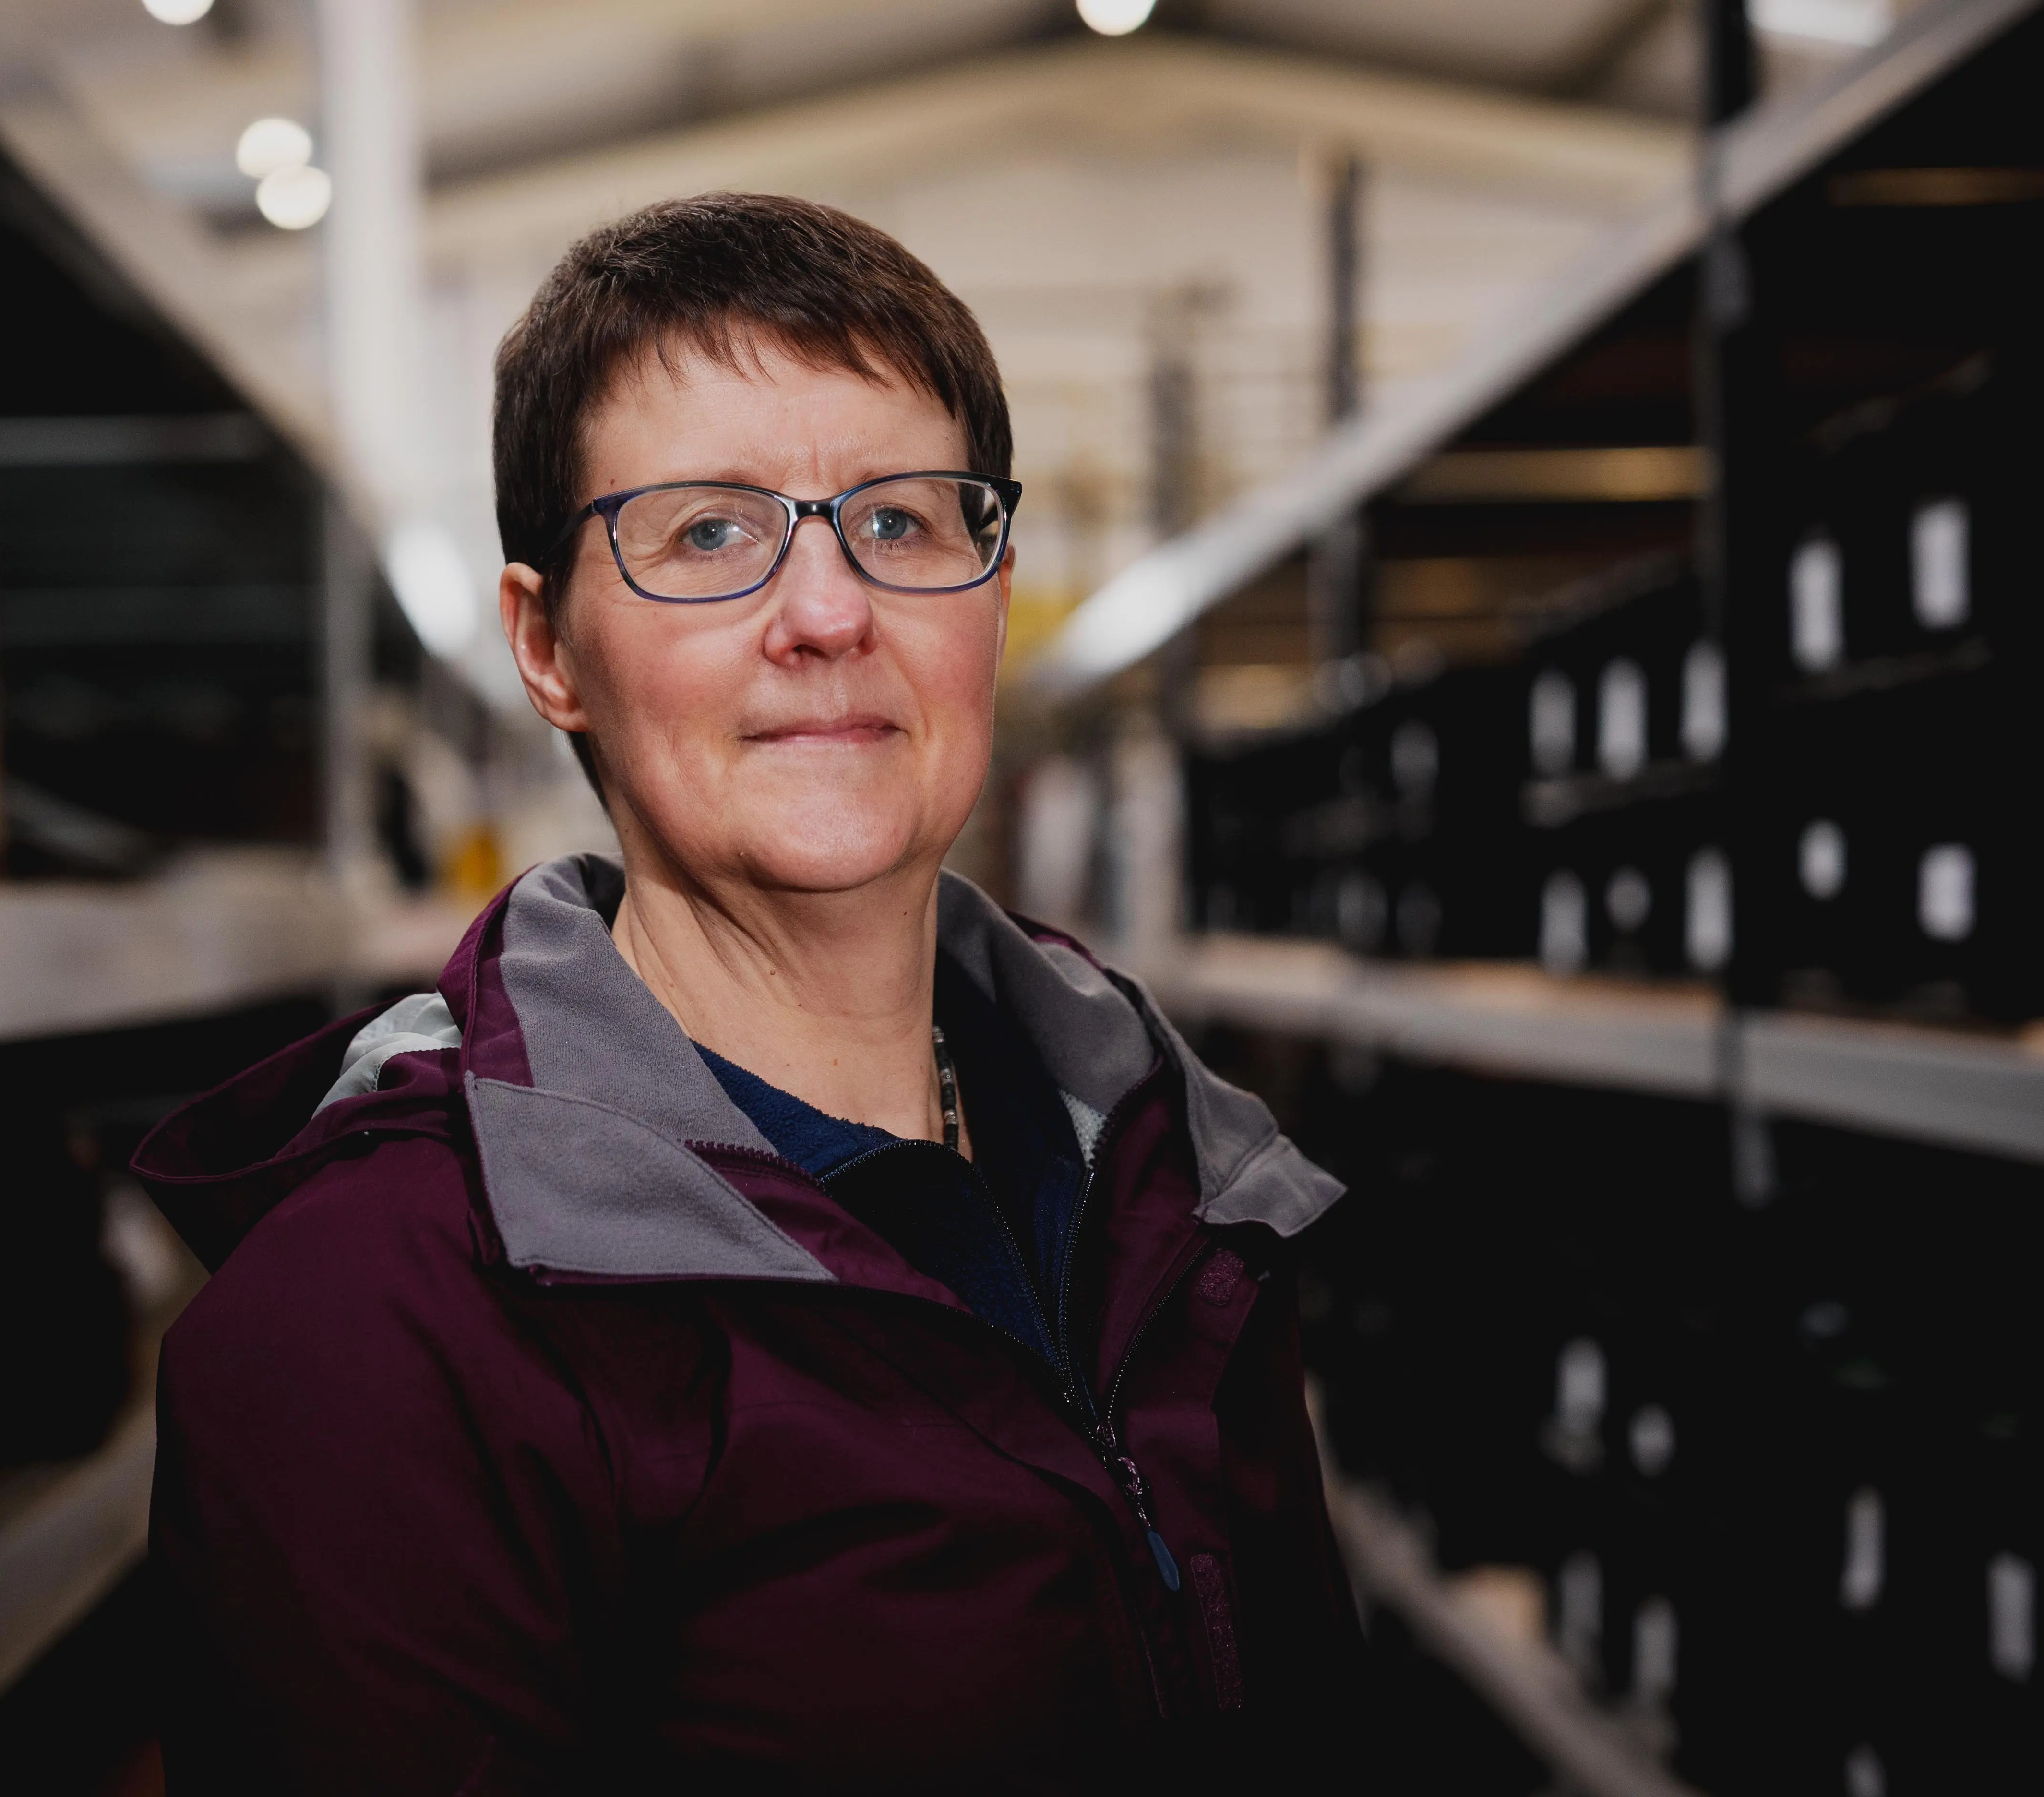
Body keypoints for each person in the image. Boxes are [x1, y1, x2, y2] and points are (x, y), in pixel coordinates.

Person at [137, 192, 1360, 1794]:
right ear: (549, 646)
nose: (831, 613)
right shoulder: (383, 1321)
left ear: (991, 599)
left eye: (902, 521)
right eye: (708, 533)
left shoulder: (1170, 1170)